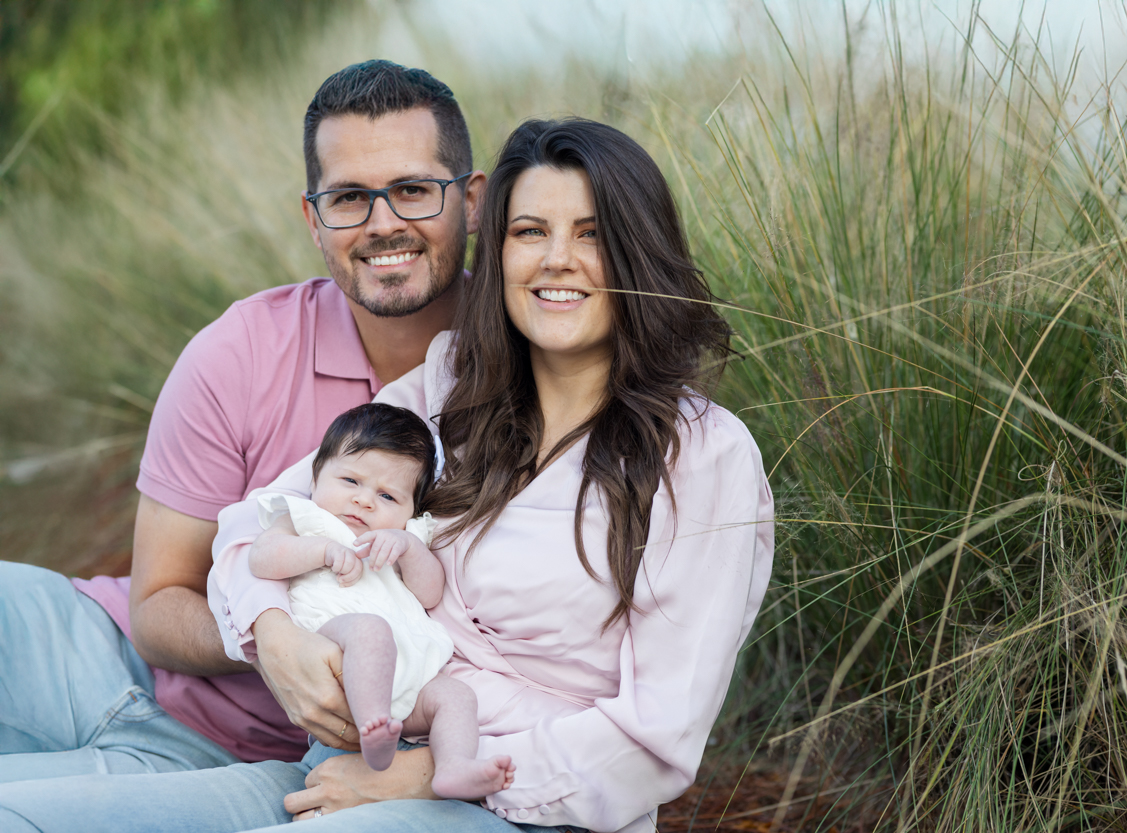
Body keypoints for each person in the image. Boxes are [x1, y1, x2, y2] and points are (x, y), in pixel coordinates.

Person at [0, 117, 775, 833]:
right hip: (334, 768)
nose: (556, 259)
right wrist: (270, 630)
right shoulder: (448, 390)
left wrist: (422, 777)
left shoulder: (702, 457)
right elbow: (260, 519)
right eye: (529, 231)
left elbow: (656, 739)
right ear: (497, 251)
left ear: (640, 253)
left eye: (592, 234)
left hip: (517, 804)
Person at [0, 60, 485, 780]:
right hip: (93, 649)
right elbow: (157, 603)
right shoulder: (240, 349)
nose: (384, 224)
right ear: (313, 218)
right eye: (349, 197)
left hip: (231, 761)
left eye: (413, 190)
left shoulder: (523, 378)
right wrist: (269, 639)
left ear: (471, 201)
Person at [244, 402, 514, 794]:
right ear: (316, 477)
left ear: (411, 510)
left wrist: (408, 547)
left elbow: (431, 592)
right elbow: (261, 558)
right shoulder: (305, 519)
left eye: (388, 496)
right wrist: (319, 551)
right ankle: (373, 728)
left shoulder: (403, 539)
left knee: (455, 696)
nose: (365, 500)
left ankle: (454, 767)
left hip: (410, 675)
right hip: (336, 647)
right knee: (370, 630)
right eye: (351, 481)